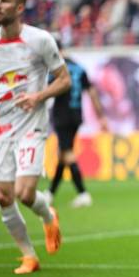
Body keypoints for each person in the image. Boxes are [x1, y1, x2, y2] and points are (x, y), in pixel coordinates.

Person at [0, 0, 71, 274]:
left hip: (31, 126)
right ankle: (29, 256)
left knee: (25, 194)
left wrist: (39, 96)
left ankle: (48, 214)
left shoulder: (40, 40)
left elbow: (64, 80)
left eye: (5, 1)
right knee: (2, 196)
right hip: (2, 128)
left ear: (20, 7)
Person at [46, 39, 108, 208]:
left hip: (61, 115)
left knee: (67, 154)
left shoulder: (56, 69)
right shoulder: (79, 67)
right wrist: (101, 117)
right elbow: (92, 93)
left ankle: (83, 193)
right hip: (76, 116)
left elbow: (47, 90)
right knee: (63, 154)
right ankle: (50, 193)